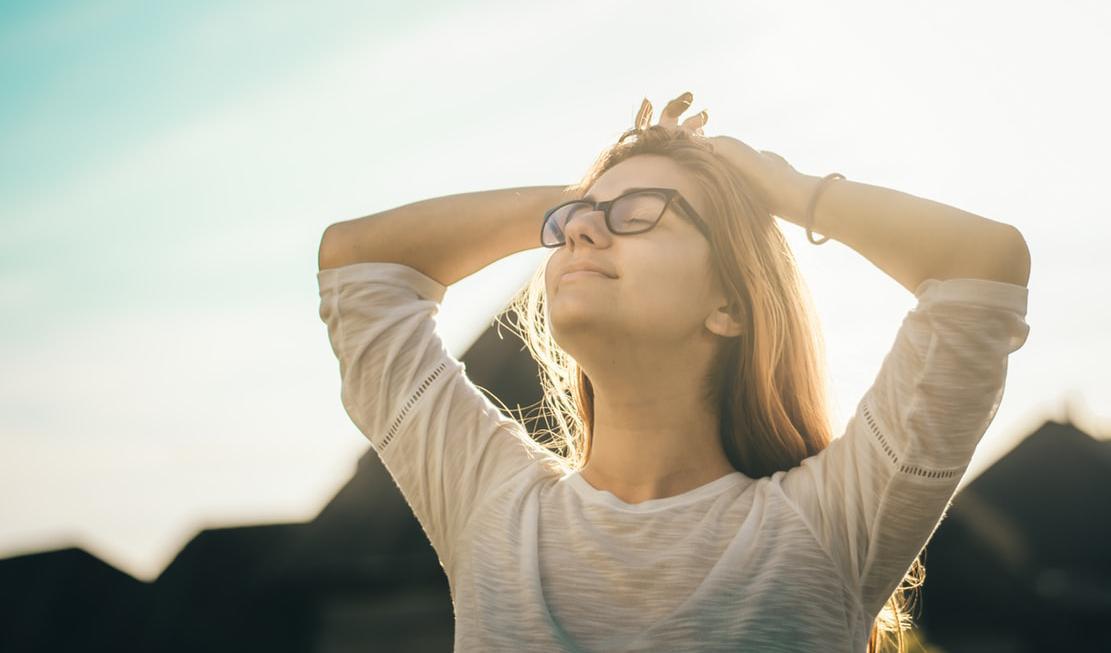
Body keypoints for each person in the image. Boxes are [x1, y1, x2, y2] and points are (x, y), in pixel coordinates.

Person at [316, 91, 1031, 652]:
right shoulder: (492, 507)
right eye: (572, 224)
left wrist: (783, 189)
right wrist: (579, 196)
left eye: (639, 214)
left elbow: (981, 266)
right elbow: (358, 264)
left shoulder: (828, 523)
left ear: (729, 303)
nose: (582, 230)